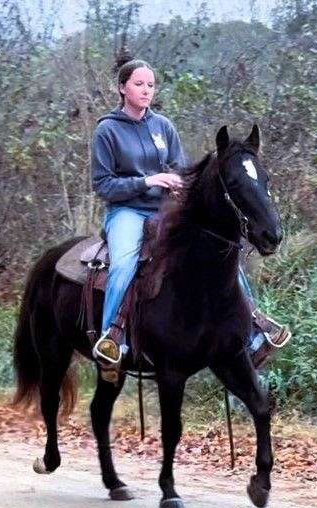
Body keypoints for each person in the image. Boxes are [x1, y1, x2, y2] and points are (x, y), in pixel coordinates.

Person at [90, 59, 290, 372]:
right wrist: (148, 181)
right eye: (139, 84)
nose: (146, 91)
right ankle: (112, 340)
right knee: (124, 264)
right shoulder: (107, 130)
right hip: (126, 212)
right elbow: (102, 184)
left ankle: (253, 330)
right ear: (122, 88)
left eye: (151, 85)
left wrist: (181, 185)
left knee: (222, 253)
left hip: (164, 210)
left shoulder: (163, 127)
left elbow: (180, 168)